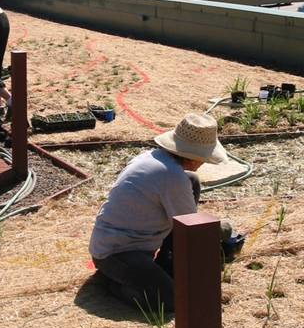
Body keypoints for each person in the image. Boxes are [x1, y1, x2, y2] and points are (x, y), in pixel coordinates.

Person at [89, 113, 244, 314]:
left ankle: (166, 261)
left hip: (116, 242)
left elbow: (185, 217)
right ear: (194, 156)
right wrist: (223, 230)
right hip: (117, 253)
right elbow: (193, 228)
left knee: (193, 181)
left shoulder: (152, 159)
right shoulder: (172, 178)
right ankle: (113, 285)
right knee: (170, 300)